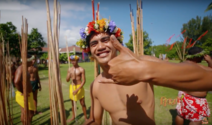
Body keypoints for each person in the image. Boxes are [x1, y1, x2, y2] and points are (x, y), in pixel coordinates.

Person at [76, 18, 212, 125]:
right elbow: (95, 120)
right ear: (89, 51)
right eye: (94, 44)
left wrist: (144, 70)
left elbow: (202, 77)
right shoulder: (96, 85)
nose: (100, 46)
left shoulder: (141, 63)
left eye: (105, 40)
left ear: (115, 42)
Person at [175, 47, 211, 125]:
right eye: (202, 55)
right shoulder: (197, 67)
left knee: (181, 115)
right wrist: (210, 62)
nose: (203, 57)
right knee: (196, 120)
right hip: (195, 98)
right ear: (197, 56)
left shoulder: (182, 65)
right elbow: (210, 74)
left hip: (183, 95)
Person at [14, 55, 36, 124]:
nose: (33, 61)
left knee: (26, 113)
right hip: (24, 95)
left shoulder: (24, 68)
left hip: (27, 94)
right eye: (31, 60)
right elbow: (16, 81)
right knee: (29, 113)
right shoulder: (21, 68)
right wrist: (23, 92)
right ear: (27, 61)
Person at [66, 55, 88, 122]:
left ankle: (85, 117)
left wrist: (77, 90)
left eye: (74, 60)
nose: (73, 62)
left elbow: (84, 81)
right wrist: (69, 75)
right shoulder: (69, 69)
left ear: (77, 60)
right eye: (72, 61)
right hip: (72, 87)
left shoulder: (81, 69)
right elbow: (67, 80)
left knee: (82, 103)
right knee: (73, 103)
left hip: (79, 87)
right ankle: (73, 117)